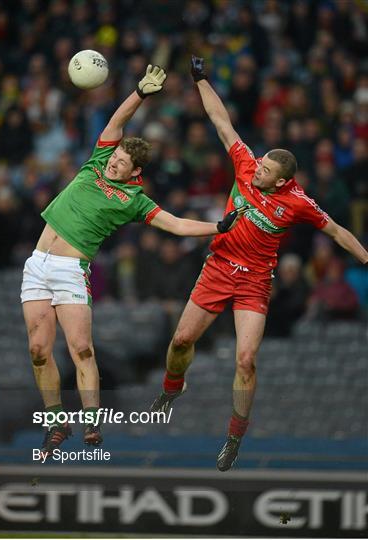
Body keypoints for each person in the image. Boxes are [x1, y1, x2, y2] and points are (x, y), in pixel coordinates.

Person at [150, 56, 368, 472]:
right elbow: (220, 121)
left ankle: (234, 437)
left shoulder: (298, 203)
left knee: (246, 360)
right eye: (261, 163)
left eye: (267, 170)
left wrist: (366, 257)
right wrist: (200, 79)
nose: (258, 170)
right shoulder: (246, 165)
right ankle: (171, 389)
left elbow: (338, 232)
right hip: (218, 266)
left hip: (253, 282)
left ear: (282, 181)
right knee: (180, 343)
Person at [21, 64, 243, 457]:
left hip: (72, 271)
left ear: (135, 172)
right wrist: (140, 92)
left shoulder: (136, 201)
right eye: (115, 157)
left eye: (122, 163)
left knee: (81, 348)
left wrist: (218, 226)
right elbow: (116, 120)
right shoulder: (96, 161)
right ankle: (56, 421)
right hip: (37, 264)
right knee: (38, 350)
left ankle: (92, 422)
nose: (114, 163)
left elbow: (174, 225)